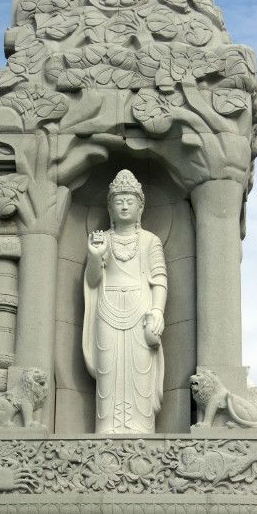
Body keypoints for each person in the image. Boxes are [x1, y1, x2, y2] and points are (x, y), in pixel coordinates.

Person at [83, 169, 167, 434]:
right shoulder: (102, 239)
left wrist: (157, 311)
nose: (124, 206)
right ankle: (106, 426)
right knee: (108, 370)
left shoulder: (150, 240)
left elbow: (159, 279)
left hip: (140, 310)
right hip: (107, 308)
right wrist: (95, 255)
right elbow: (93, 280)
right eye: (118, 201)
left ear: (140, 207)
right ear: (110, 207)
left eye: (130, 201)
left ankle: (141, 427)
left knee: (140, 370)